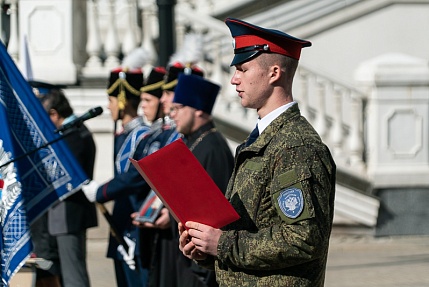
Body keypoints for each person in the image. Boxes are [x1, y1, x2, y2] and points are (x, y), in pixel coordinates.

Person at [178, 17, 336, 287]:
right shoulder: (262, 139)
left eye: (243, 69)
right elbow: (250, 230)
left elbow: (304, 239)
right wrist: (205, 247)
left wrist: (222, 243)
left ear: (274, 73)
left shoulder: (295, 145)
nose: (234, 79)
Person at [82, 67, 151, 287]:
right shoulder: (124, 133)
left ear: (122, 101)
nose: (109, 106)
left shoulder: (142, 136)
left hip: (135, 223)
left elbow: (133, 178)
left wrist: (101, 191)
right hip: (121, 222)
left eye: (111, 100)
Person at [30, 81, 98, 287]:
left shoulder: (75, 133)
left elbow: (66, 174)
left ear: (54, 114)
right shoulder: (68, 132)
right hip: (56, 217)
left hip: (69, 215)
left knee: (73, 276)